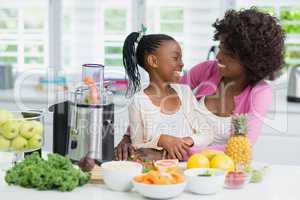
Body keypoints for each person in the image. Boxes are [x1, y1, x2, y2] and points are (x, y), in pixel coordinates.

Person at [114, 7, 285, 160]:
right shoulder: (207, 70)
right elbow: (161, 95)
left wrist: (169, 154)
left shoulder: (260, 93)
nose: (218, 56)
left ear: (250, 60)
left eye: (228, 53)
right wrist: (128, 138)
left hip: (219, 170)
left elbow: (240, 148)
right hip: (177, 164)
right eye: (221, 47)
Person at [117, 31, 213, 161]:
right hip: (158, 170)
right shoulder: (138, 101)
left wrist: (186, 141)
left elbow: (207, 134)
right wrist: (162, 140)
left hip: (190, 167)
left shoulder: (185, 93)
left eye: (181, 58)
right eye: (175, 58)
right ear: (153, 61)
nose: (182, 63)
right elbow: (137, 146)